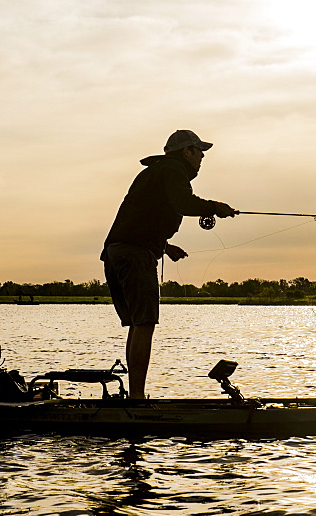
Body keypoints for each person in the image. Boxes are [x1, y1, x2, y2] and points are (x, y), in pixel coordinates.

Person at [101, 130, 236, 399]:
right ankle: (137, 400)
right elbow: (183, 203)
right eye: (199, 151)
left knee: (138, 323)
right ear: (186, 151)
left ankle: (134, 397)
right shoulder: (173, 170)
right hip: (134, 255)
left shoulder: (155, 172)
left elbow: (141, 217)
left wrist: (165, 247)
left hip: (117, 252)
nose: (202, 156)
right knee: (145, 322)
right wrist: (214, 206)